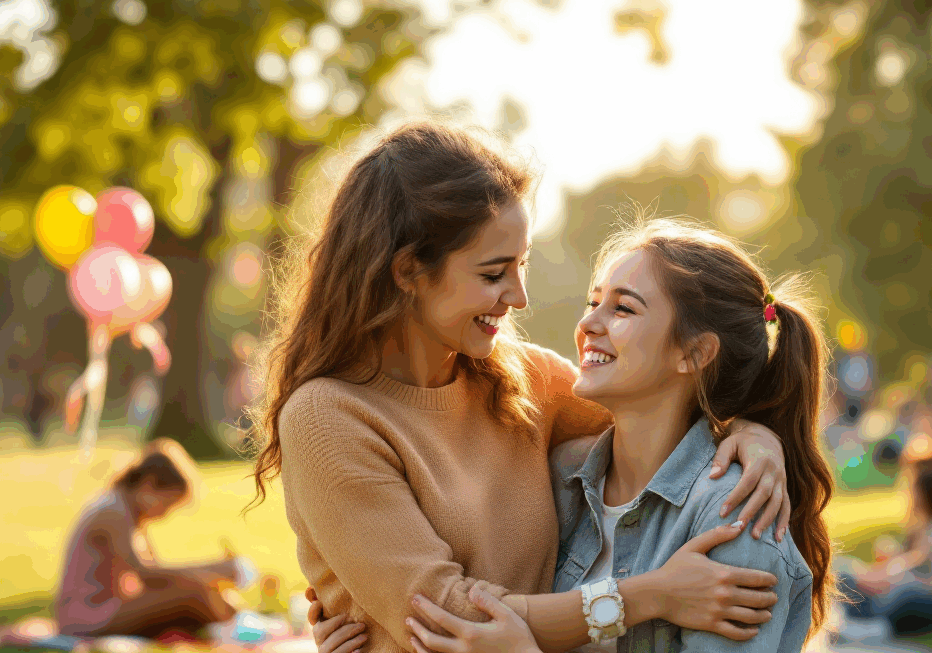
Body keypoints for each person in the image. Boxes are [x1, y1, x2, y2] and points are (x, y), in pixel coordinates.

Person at [247, 123, 796, 653]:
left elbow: (657, 406)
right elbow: (453, 621)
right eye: (493, 273)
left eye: (522, 265)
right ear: (409, 270)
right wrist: (649, 596)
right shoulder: (328, 418)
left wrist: (750, 432)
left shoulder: (527, 383)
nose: (519, 296)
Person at [315, 217, 836, 652]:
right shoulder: (561, 478)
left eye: (624, 308)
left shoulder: (738, 514)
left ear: (695, 354)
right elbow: (457, 599)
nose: (589, 324)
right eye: (593, 302)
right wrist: (370, 619)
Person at [55, 438, 241, 638]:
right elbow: (145, 573)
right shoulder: (113, 511)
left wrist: (207, 579)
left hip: (111, 608)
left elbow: (156, 576)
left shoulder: (131, 514)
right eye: (166, 505)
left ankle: (229, 624)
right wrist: (211, 570)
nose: (164, 514)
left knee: (199, 591)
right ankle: (232, 629)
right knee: (194, 594)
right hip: (89, 615)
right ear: (149, 484)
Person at [840, 460, 932, 635]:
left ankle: (871, 629)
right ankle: (859, 624)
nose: (912, 496)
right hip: (918, 595)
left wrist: (900, 581)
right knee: (846, 577)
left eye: (916, 490)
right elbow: (913, 562)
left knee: (903, 595)